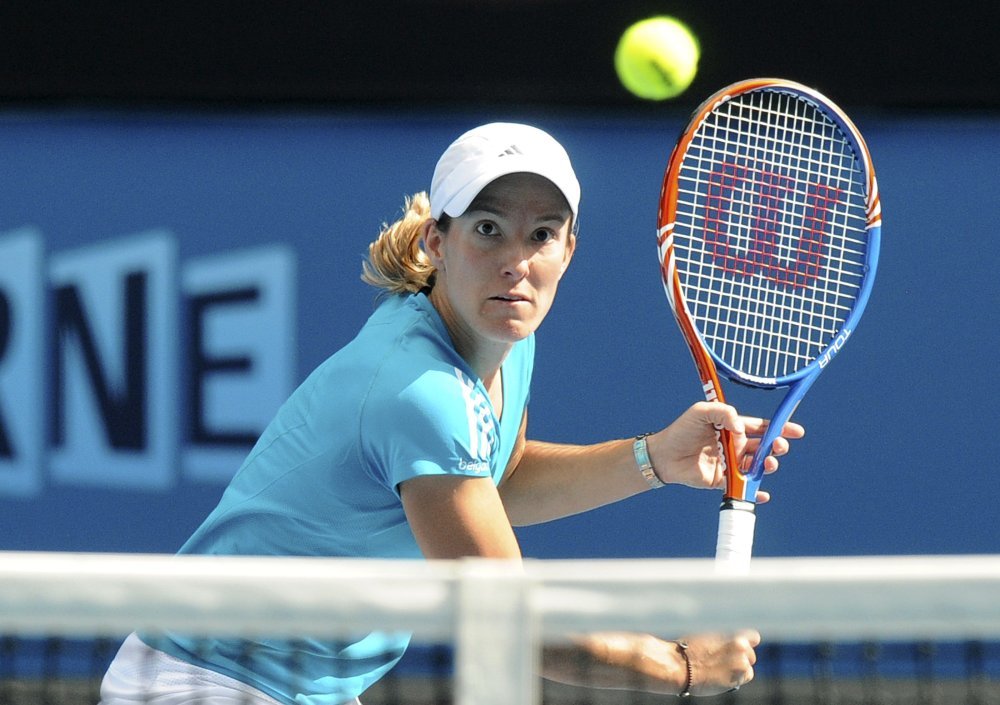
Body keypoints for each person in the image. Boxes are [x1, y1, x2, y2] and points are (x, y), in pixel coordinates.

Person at [99, 122, 804, 705]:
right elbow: (506, 619)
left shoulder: (502, 339)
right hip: (204, 683)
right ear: (437, 241)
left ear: (568, 250)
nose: (515, 263)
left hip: (295, 686)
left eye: (541, 235)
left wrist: (653, 458)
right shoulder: (420, 392)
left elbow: (498, 480)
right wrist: (680, 665)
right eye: (488, 229)